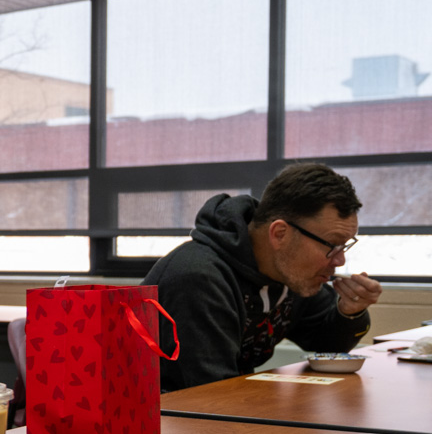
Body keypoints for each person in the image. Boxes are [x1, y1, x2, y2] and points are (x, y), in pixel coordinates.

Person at [143, 163, 382, 391]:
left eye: (344, 247)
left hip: (217, 413)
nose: (339, 261)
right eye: (332, 246)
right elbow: (207, 395)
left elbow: (327, 349)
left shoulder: (290, 272)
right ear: (280, 234)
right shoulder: (198, 278)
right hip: (161, 424)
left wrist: (350, 311)